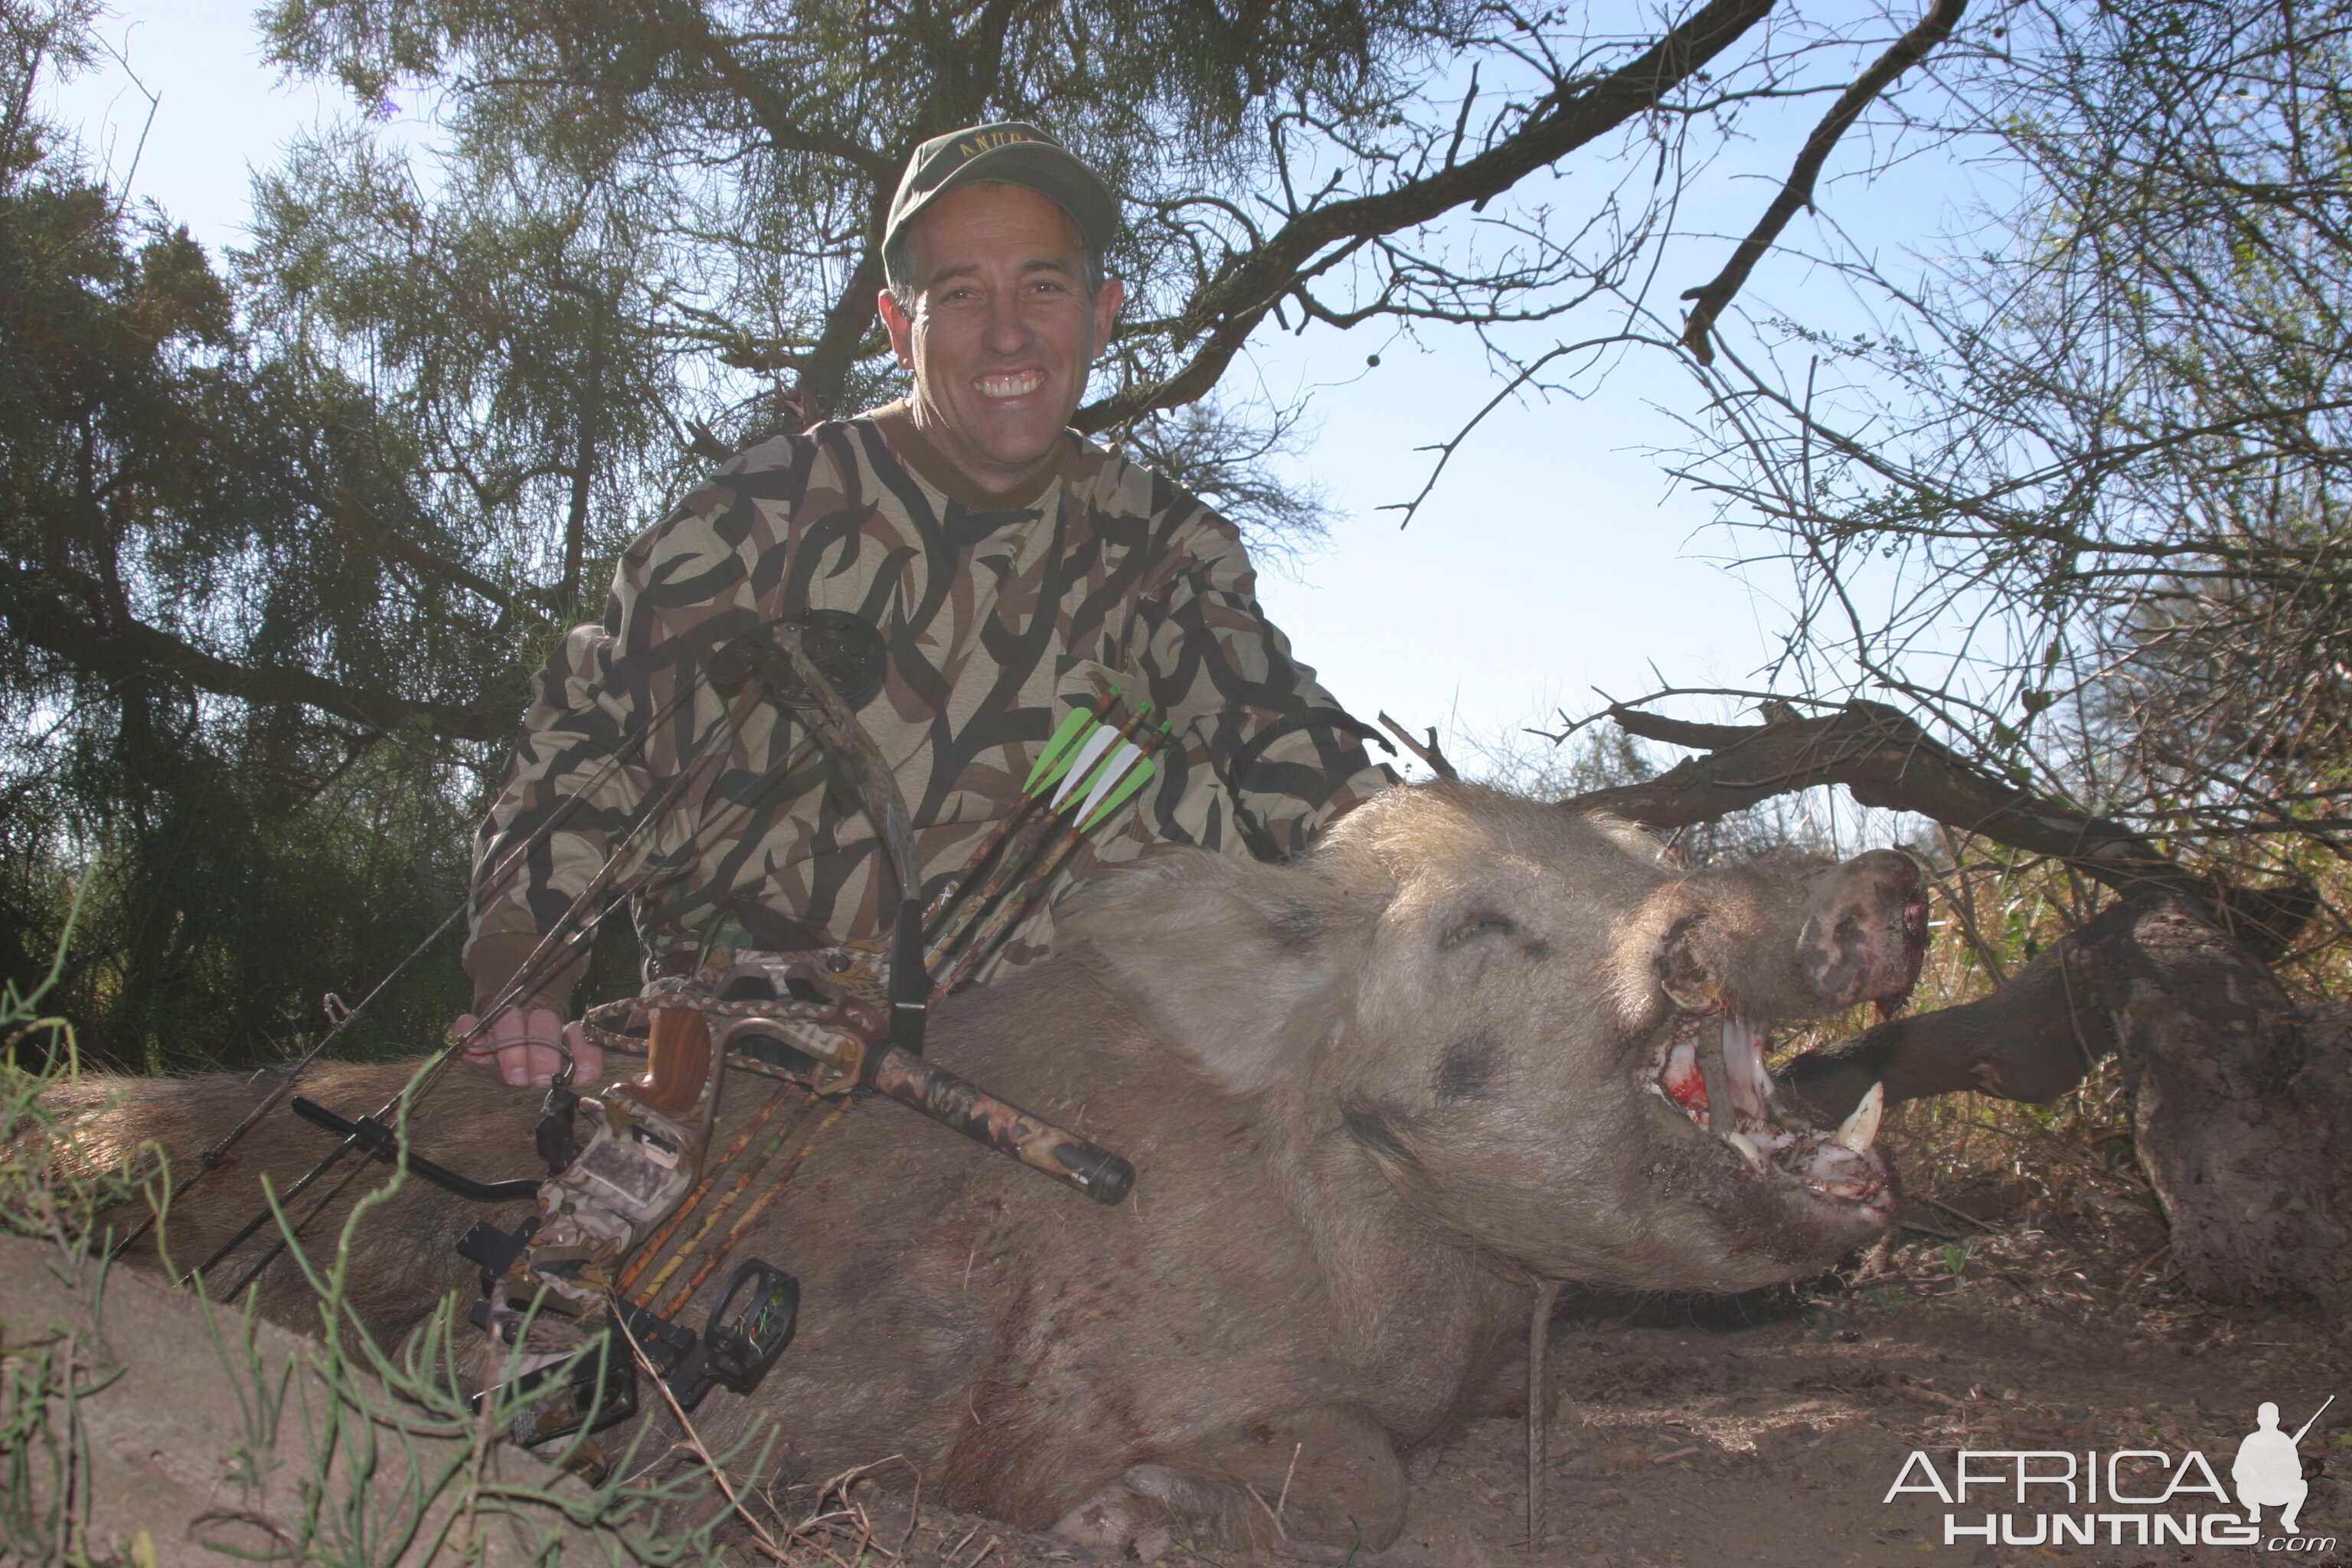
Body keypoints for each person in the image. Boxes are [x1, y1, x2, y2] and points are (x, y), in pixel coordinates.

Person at [456, 122, 1396, 1088]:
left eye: (1043, 285)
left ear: (1101, 311)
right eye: (960, 294)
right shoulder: (757, 516)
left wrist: (1421, 883)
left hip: (1104, 1040)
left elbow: (1277, 728)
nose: (1006, 331)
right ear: (899, 329)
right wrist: (521, 964)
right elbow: (589, 746)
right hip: (770, 1046)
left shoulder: (1165, 542)